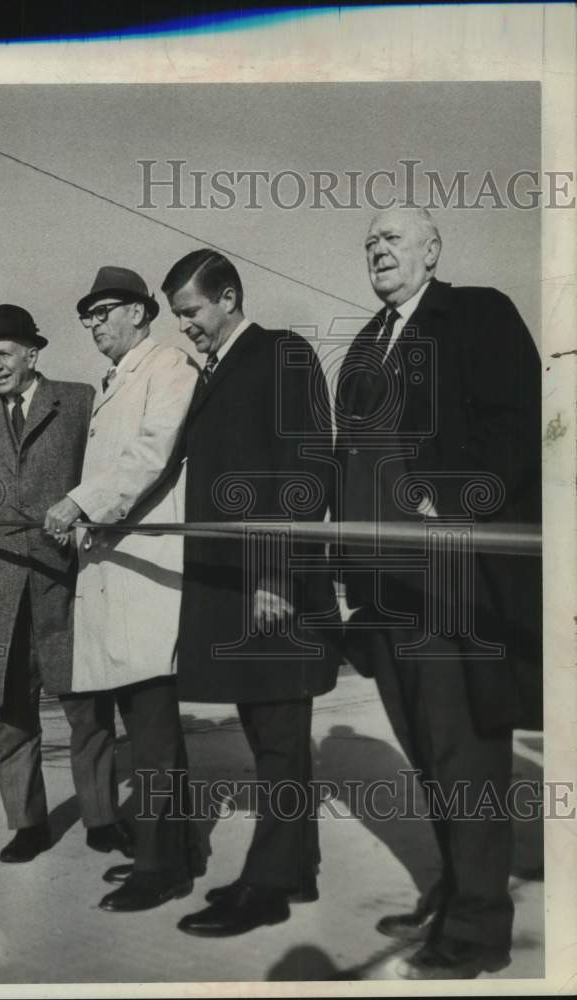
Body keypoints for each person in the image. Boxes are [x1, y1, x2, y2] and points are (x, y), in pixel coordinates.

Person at [335, 207, 541, 979]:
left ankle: (479, 929)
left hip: (449, 578)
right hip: (381, 585)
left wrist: (447, 497)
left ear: (431, 251)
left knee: (465, 756)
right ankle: (456, 889)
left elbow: (516, 425)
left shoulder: (477, 314)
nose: (377, 250)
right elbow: (345, 464)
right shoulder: (363, 342)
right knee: (426, 753)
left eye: (391, 239)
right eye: (367, 243)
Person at [160, 249, 337, 937]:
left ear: (228, 297)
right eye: (178, 317)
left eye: (192, 312)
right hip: (237, 587)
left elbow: (304, 468)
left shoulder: (280, 353)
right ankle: (294, 871)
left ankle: (267, 886)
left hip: (271, 585)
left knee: (280, 736)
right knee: (271, 735)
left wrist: (274, 574)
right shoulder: (217, 369)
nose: (187, 328)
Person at [0, 304, 133, 864]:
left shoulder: (79, 399)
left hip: (66, 581)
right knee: (12, 712)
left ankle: (102, 818)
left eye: (4, 354)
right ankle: (27, 823)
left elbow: (104, 473)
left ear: (32, 354)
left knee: (87, 707)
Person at [44, 266, 200, 912]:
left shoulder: (168, 366)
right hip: (118, 573)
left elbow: (149, 455)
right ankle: (177, 852)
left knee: (154, 734)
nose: (93, 323)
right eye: (87, 314)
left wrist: (78, 503)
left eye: (105, 310)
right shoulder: (117, 381)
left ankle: (161, 869)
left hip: (147, 576)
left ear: (140, 312)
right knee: (148, 727)